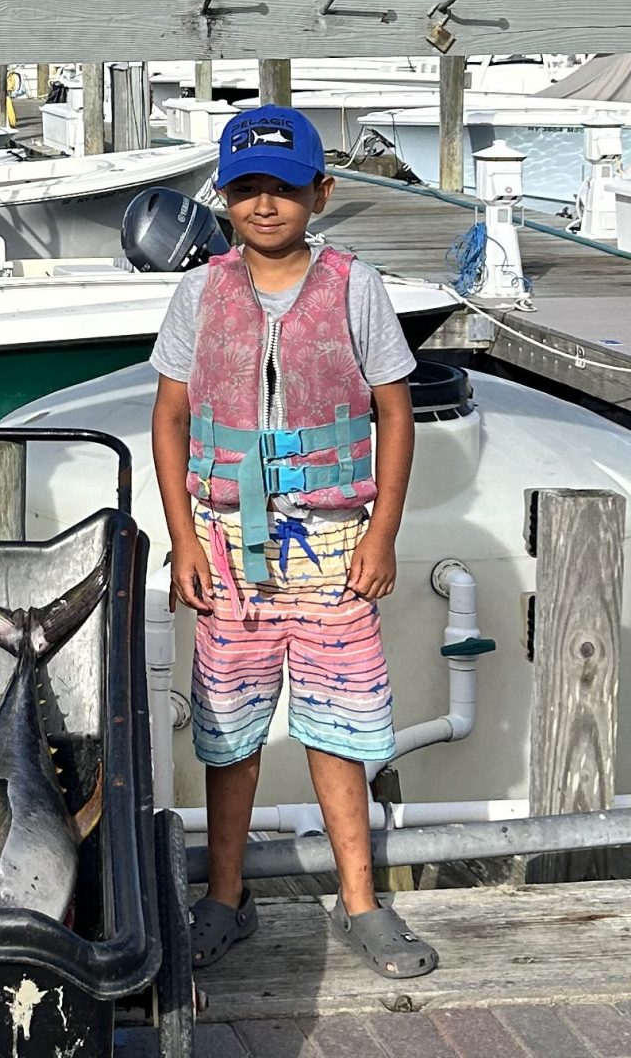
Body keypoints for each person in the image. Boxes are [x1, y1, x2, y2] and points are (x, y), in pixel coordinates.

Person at [147, 104, 436, 979]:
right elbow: (168, 419)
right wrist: (184, 541)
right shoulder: (200, 292)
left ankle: (361, 902)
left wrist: (381, 533)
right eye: (245, 189)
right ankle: (223, 898)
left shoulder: (357, 287)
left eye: (281, 188)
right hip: (225, 543)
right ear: (225, 198)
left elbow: (395, 413)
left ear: (322, 192)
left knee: (340, 725)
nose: (263, 205)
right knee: (228, 729)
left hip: (334, 541)